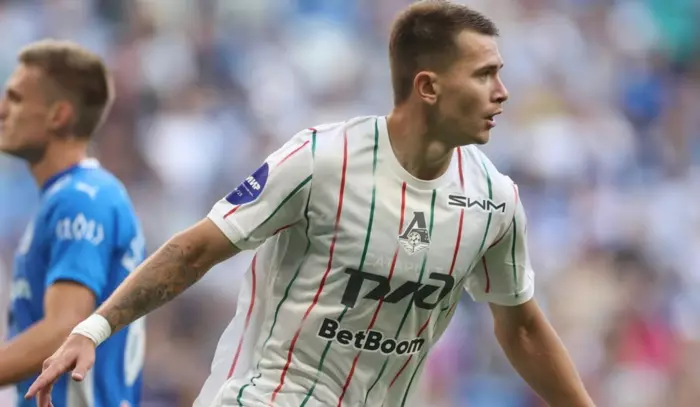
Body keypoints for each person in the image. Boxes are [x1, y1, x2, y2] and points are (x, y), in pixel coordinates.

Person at [27, 2, 595, 407]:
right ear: (428, 86)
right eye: (485, 74)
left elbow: (521, 328)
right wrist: (94, 328)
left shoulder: (494, 200)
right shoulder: (323, 159)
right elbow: (195, 250)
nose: (502, 92)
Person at [0, 39, 146, 407]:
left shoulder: (81, 199)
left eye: (15, 98)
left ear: (58, 116)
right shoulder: (68, 196)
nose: (2, 110)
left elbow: (63, 328)